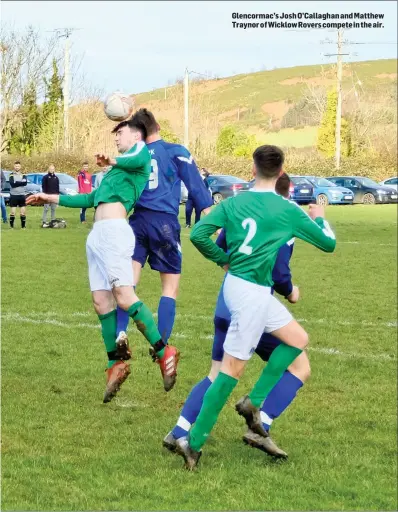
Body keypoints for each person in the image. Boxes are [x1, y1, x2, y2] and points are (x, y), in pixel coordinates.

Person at [174, 145, 336, 470]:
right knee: (230, 371)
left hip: (246, 289)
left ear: (252, 169)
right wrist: (320, 218)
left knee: (297, 339)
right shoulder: (287, 209)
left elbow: (200, 234)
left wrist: (224, 259)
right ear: (281, 171)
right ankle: (192, 444)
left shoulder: (235, 202)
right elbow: (328, 243)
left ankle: (255, 401)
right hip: (251, 295)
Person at [27, 119, 180, 402]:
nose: (116, 139)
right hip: (97, 236)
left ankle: (163, 351)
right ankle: (115, 363)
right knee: (101, 302)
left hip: (114, 233)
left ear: (135, 135)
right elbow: (91, 199)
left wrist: (113, 159)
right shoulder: (113, 172)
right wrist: (49, 197)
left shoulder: (141, 154)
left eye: (119, 134)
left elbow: (132, 156)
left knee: (124, 296)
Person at [163, 173, 310, 459]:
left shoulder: (239, 208)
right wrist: (291, 292)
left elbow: (218, 247)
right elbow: (280, 273)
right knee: (299, 365)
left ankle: (179, 431)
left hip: (226, 303)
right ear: (287, 191)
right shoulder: (284, 217)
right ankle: (259, 424)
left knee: (215, 373)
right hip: (254, 309)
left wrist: (227, 263)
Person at [114, 109, 213, 383]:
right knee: (169, 288)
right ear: (158, 126)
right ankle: (162, 347)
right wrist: (211, 218)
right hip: (165, 224)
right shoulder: (176, 151)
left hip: (136, 222)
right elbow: (198, 190)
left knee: (127, 284)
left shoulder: (134, 155)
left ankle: (121, 332)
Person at [9, 161, 28, 229]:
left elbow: (25, 183)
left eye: (18, 166)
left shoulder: (23, 174)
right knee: (12, 213)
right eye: (16, 166)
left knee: (22, 213)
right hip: (14, 195)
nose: (17, 167)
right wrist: (20, 182)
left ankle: (23, 227)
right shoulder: (11, 175)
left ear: (20, 167)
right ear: (14, 167)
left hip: (22, 195)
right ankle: (11, 227)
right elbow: (12, 184)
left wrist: (16, 182)